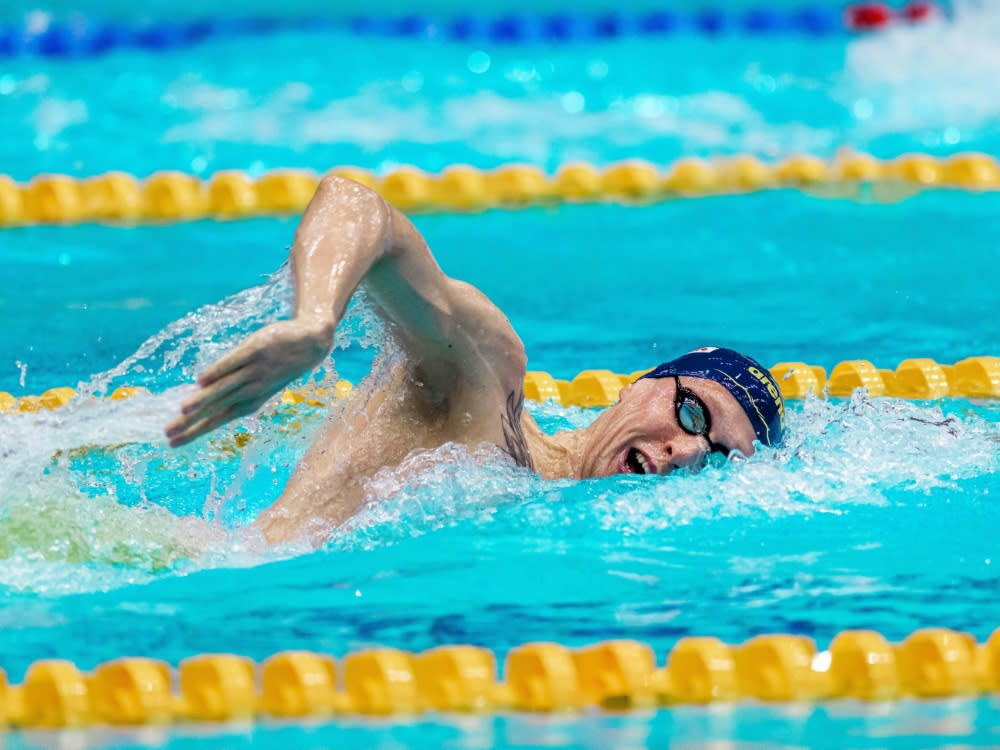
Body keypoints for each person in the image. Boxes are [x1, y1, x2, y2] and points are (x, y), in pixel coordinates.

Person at [165, 176, 785, 545]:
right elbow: (358, 206)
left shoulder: (550, 509)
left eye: (718, 457)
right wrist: (314, 320)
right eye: (694, 416)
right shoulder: (484, 388)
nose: (689, 453)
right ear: (637, 386)